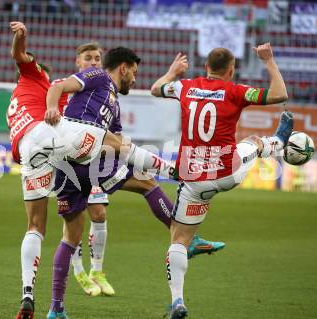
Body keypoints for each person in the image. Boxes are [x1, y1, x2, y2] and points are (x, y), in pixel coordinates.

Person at [8, 22, 179, 319]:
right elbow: (33, 66)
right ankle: (176, 185)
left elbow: (67, 100)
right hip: (63, 142)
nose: (94, 63)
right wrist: (21, 38)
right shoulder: (46, 78)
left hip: (31, 151)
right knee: (131, 163)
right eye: (89, 59)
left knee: (41, 227)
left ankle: (34, 297)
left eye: (97, 59)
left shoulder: (33, 97)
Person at [44, 46, 225, 319]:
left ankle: (56, 309)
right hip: (81, 147)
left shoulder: (114, 106)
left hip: (68, 163)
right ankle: (185, 238)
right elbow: (58, 86)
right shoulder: (98, 76)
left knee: (70, 235)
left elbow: (120, 147)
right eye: (134, 73)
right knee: (147, 183)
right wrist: (50, 109)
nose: (135, 80)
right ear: (124, 67)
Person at [151, 43, 292, 318]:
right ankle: (277, 142)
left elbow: (156, 89)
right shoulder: (236, 91)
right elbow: (280, 94)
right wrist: (269, 61)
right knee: (252, 142)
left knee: (178, 239)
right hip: (227, 173)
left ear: (206, 67)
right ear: (231, 70)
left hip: (193, 181)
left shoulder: (185, 86)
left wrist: (171, 72)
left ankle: (178, 301)